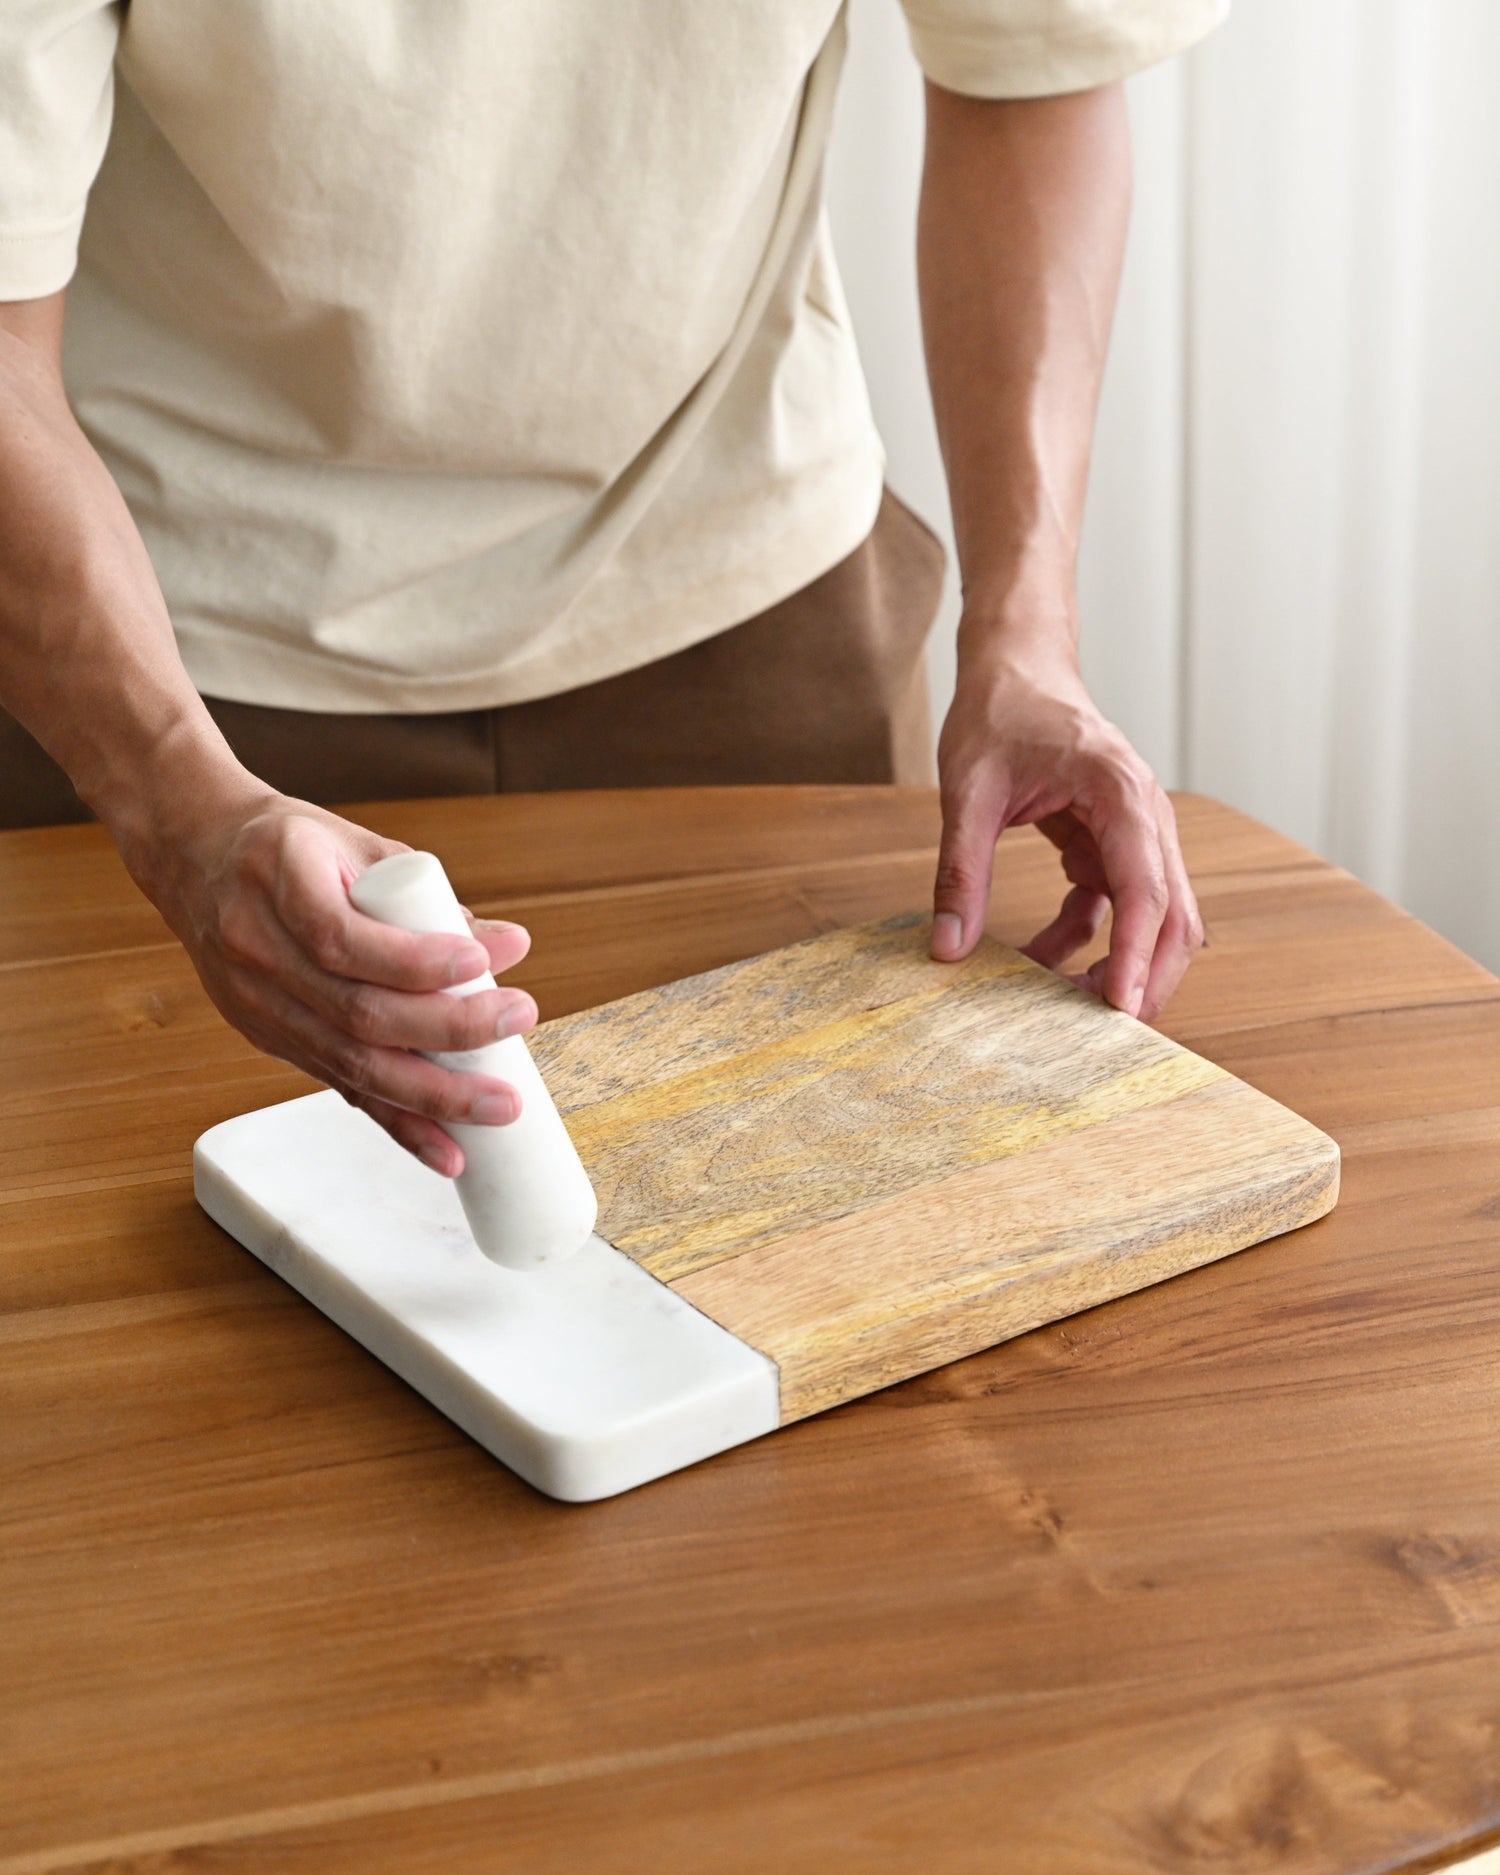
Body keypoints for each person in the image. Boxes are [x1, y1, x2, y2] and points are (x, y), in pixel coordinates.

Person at [0, 1, 1217, 1177]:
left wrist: (1027, 638)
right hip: (156, 646)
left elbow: (1030, 70)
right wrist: (176, 810)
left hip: (751, 603)